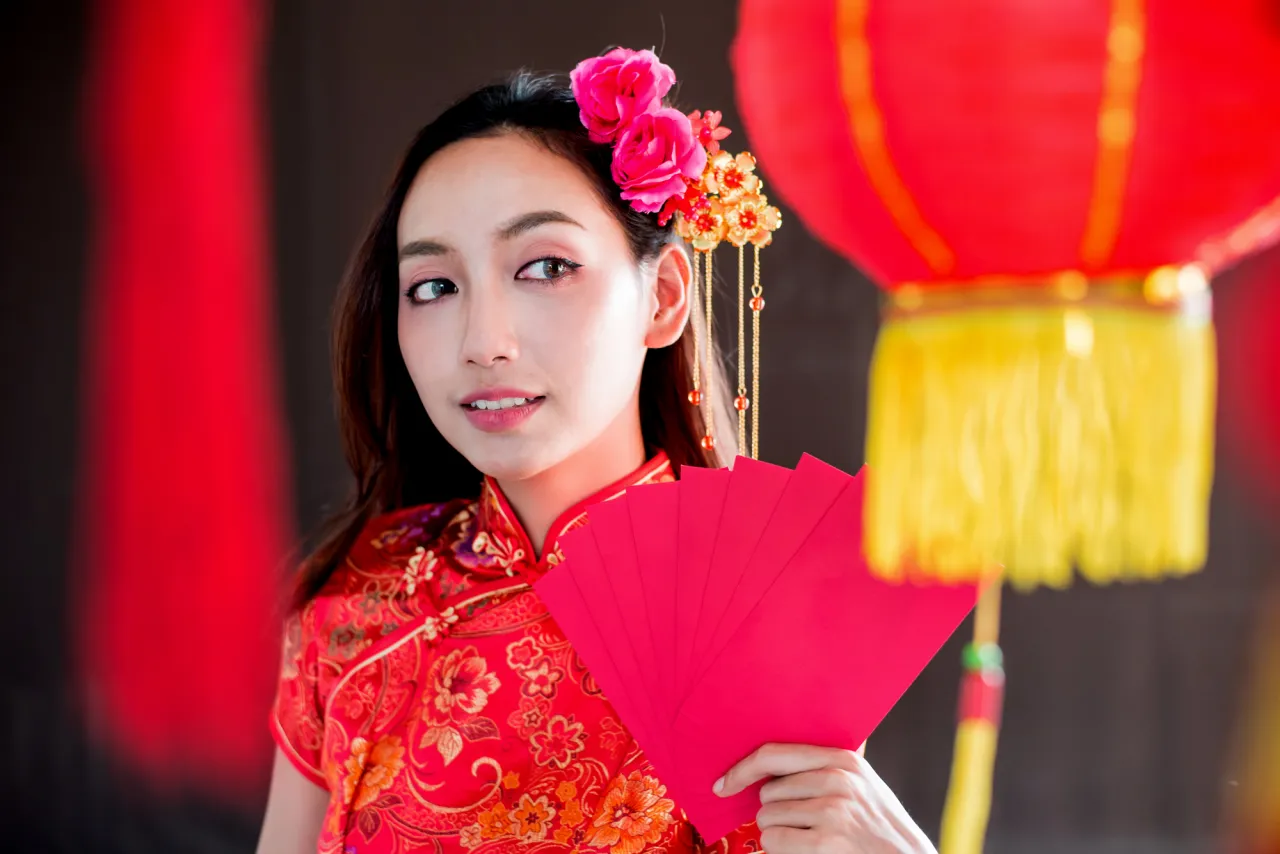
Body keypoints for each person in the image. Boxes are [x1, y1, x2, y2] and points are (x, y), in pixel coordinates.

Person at [256, 49, 937, 854]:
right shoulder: (359, 599)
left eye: (545, 267)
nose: (483, 342)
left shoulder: (763, 632)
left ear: (665, 296)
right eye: (434, 286)